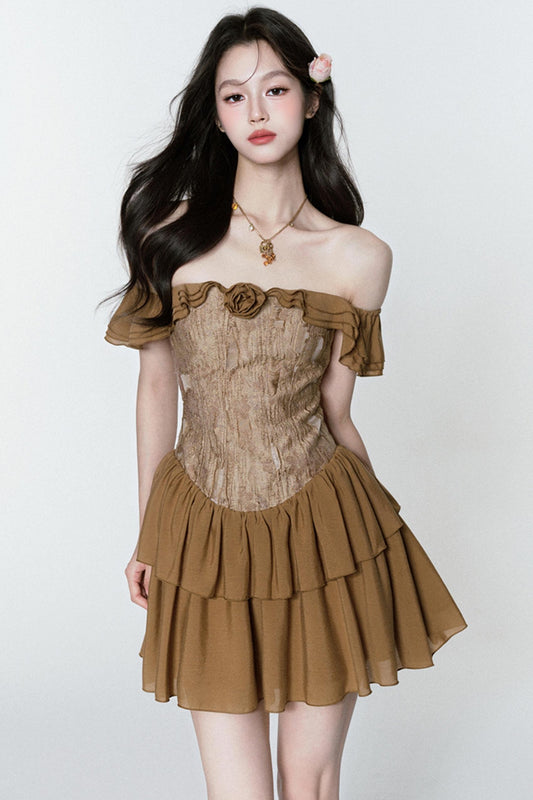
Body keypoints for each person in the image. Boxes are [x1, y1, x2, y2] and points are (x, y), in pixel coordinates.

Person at [103, 7, 468, 799]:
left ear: (310, 97)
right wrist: (149, 531)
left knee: (309, 781)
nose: (256, 111)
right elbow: (156, 387)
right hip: (202, 531)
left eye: (274, 88)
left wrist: (374, 545)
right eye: (234, 96)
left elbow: (336, 415)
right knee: (236, 790)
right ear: (215, 114)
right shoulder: (168, 237)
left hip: (323, 527)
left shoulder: (358, 256)